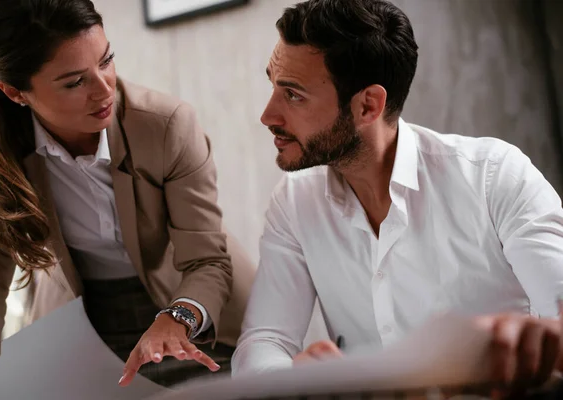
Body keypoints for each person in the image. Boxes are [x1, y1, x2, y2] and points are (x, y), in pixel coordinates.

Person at [232, 0, 563, 394]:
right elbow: (264, 340)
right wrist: (294, 383)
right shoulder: (293, 202)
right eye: (273, 85)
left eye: (293, 95)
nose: (268, 114)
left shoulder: (494, 175)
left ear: (368, 105)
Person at [0, 0, 255, 398]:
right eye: (73, 82)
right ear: (15, 92)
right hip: (81, 318)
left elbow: (207, 259)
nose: (104, 89)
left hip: (192, 306)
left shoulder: (166, 125)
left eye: (106, 60)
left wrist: (177, 318)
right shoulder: (1, 151)